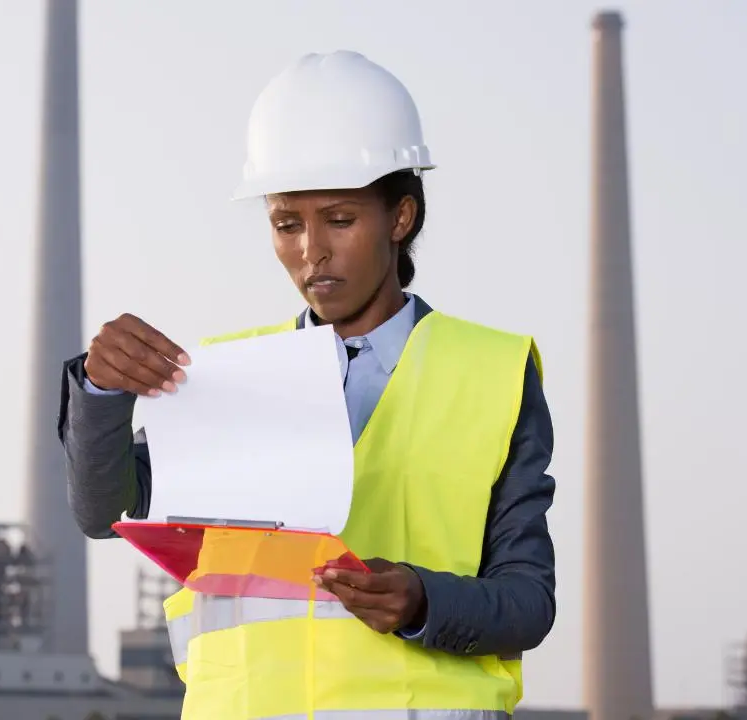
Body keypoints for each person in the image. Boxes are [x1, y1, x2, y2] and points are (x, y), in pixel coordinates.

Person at [59, 50, 556, 720]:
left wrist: (422, 600)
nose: (310, 251)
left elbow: (526, 601)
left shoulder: (492, 373)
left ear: (400, 219)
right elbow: (104, 513)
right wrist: (101, 393)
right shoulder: (227, 379)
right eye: (286, 223)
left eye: (340, 220)